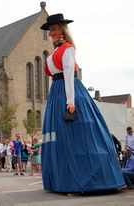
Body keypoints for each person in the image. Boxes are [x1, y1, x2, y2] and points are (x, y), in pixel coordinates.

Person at [40, 13, 125, 192]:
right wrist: (51, 102)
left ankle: (83, 180)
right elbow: (51, 79)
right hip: (56, 94)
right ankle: (60, 181)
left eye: (54, 29)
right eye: (50, 30)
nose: (51, 33)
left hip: (68, 91)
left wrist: (70, 101)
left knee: (74, 134)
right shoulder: (53, 53)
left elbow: (69, 73)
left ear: (62, 30)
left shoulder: (68, 48)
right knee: (57, 136)